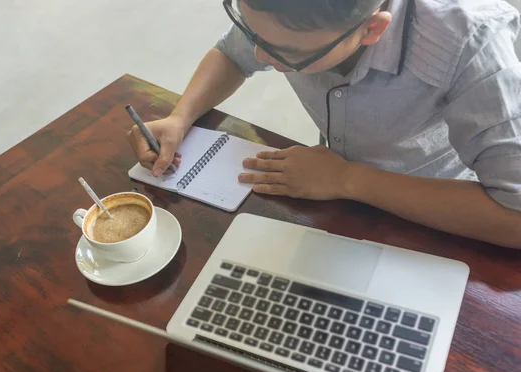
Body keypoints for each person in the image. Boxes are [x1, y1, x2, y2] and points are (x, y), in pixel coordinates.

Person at [127, 0, 521, 249]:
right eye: (252, 29)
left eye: (289, 53)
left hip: (437, 206)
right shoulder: (287, 18)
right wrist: (180, 116)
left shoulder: (474, 43)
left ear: (372, 29)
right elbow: (233, 54)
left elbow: (514, 218)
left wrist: (347, 180)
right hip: (332, 191)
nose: (261, 54)